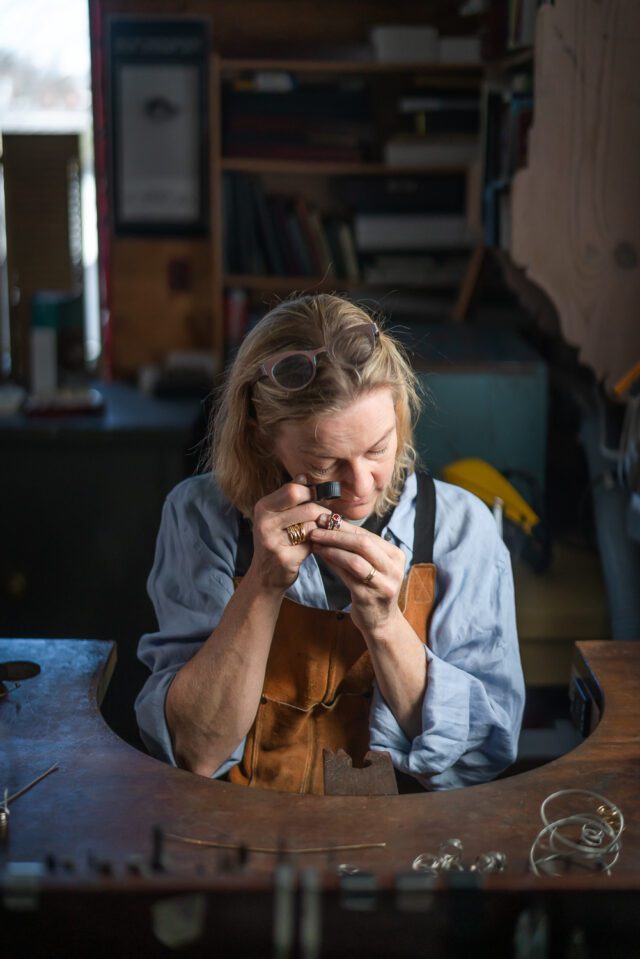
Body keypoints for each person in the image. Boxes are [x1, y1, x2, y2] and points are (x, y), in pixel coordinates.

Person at [135, 293, 525, 793]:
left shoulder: (460, 529)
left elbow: (480, 759)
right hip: (244, 837)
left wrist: (385, 624)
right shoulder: (199, 517)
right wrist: (261, 583)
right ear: (261, 437)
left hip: (406, 841)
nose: (361, 486)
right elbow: (194, 751)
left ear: (400, 413)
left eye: (378, 448)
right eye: (325, 465)